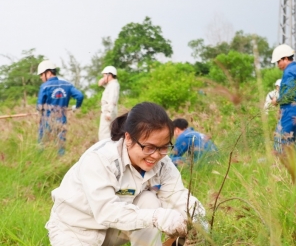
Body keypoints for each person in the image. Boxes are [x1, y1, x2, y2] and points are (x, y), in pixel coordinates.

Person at [45, 102, 207, 246]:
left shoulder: (163, 163)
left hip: (115, 230)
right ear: (129, 138)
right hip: (76, 231)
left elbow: (178, 196)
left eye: (164, 147)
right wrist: (157, 217)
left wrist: (200, 222)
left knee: (149, 200)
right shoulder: (101, 159)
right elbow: (106, 211)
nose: (156, 155)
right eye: (149, 147)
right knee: (154, 214)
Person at [36, 60, 84, 155]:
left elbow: (39, 106)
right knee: (60, 147)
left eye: (41, 74)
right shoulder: (67, 85)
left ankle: (42, 164)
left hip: (47, 121)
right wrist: (76, 107)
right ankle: (60, 164)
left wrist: (40, 111)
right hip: (62, 121)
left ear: (48, 73)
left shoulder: (44, 87)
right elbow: (80, 96)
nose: (41, 77)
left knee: (42, 146)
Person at [270, 44, 296, 161]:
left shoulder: (289, 72)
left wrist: (277, 101)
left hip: (290, 111)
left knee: (280, 141)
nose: (278, 65)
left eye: (278, 62)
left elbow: (290, 94)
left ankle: (281, 172)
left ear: (285, 58)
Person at [98, 66, 120, 141]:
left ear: (109, 75)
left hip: (108, 112)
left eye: (104, 75)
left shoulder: (113, 85)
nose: (103, 78)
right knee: (105, 133)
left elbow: (112, 99)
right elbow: (100, 84)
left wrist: (109, 112)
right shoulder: (111, 84)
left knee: (104, 135)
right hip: (107, 111)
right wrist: (103, 81)